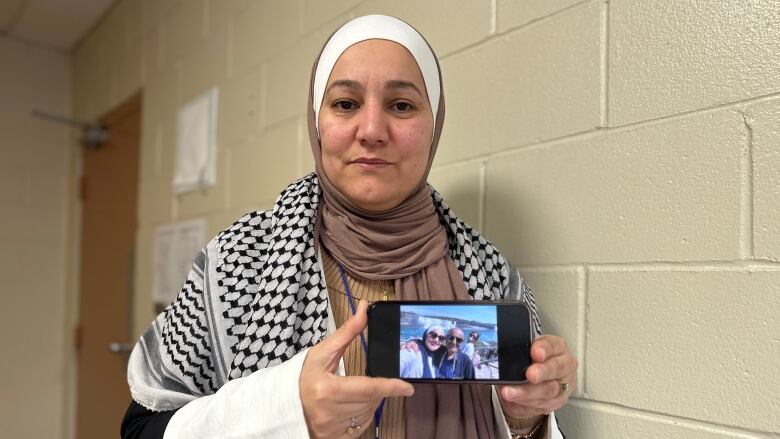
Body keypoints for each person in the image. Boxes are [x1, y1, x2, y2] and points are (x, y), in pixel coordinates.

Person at [120, 14, 577, 439]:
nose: (372, 129)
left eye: (401, 105)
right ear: (317, 124)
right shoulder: (238, 262)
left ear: (433, 125)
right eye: (345, 103)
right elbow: (141, 427)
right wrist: (284, 410)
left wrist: (526, 416)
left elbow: (522, 423)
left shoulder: (490, 274)